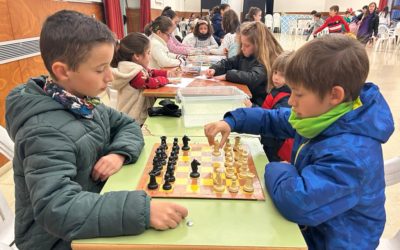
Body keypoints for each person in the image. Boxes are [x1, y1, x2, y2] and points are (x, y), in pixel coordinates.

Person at [5, 10, 188, 250]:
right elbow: (57, 209)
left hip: (94, 208)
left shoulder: (82, 102)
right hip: (56, 240)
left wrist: (118, 153)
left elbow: (128, 124)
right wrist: (142, 211)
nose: (111, 77)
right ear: (62, 71)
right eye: (101, 69)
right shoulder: (44, 132)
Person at [204, 34, 394, 249]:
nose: (291, 101)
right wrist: (233, 121)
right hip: (310, 228)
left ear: (335, 95)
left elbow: (299, 203)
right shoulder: (324, 115)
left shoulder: (353, 154)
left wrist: (278, 168)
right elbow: (273, 119)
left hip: (331, 242)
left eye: (298, 94)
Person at [206, 22, 283, 106]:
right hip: (246, 98)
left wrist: (227, 75)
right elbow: (229, 62)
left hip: (257, 105)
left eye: (247, 45)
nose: (242, 48)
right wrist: (215, 68)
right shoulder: (245, 55)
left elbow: (253, 77)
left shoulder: (265, 60)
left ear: (258, 46)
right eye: (242, 44)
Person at [111, 32, 180, 125]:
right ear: (137, 56)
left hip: (133, 116)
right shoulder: (132, 71)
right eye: (148, 53)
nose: (150, 56)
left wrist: (168, 73)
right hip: (133, 117)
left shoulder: (133, 67)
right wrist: (167, 80)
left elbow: (151, 72)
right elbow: (150, 82)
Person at [245, 51, 294, 162]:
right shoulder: (277, 90)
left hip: (277, 147)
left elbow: (275, 121)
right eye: (275, 72)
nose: (276, 77)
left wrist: (253, 107)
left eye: (282, 75)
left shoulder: (287, 99)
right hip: (269, 139)